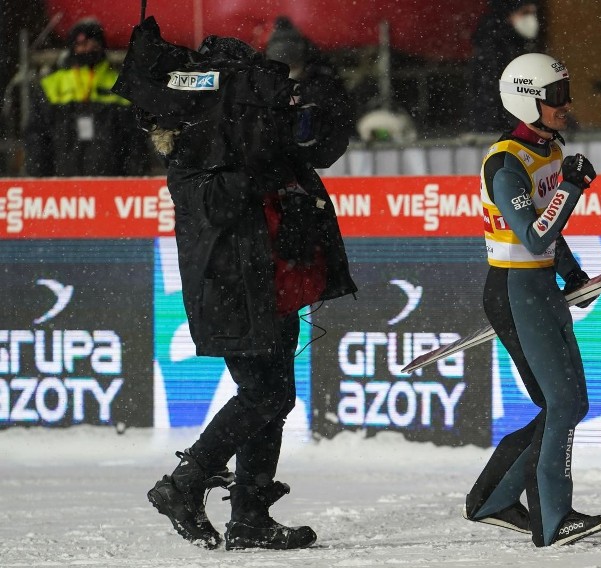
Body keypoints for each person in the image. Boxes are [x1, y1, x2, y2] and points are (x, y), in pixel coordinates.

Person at [112, 17, 357, 551]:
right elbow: (219, 206)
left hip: (272, 279)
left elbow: (319, 144)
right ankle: (187, 482)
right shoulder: (196, 158)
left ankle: (249, 515)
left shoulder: (248, 144)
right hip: (233, 287)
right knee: (265, 392)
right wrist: (257, 167)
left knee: (275, 394)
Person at [462, 52, 601, 548]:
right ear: (527, 101)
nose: (565, 105)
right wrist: (571, 189)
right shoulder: (506, 161)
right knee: (562, 401)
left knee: (572, 401)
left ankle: (493, 498)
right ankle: (552, 518)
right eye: (555, 98)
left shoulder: (547, 151)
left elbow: (551, 236)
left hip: (539, 286)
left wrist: (570, 274)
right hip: (514, 289)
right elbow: (533, 234)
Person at [23, 18, 150, 176]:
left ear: (101, 47)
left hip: (112, 186)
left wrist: (134, 182)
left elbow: (135, 141)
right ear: (72, 47)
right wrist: (40, 181)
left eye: (92, 43)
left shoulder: (121, 86)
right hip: (61, 188)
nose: (87, 49)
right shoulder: (50, 86)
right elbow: (37, 138)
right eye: (81, 44)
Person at [265, 17, 356, 158]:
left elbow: (340, 119)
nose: (290, 73)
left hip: (319, 152)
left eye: (293, 67)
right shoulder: (267, 84)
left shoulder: (322, 83)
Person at [467, 0, 542, 133]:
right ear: (507, 15)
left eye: (533, 12)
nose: (530, 18)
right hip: (501, 133)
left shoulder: (521, 45)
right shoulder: (493, 49)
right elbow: (490, 96)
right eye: (525, 12)